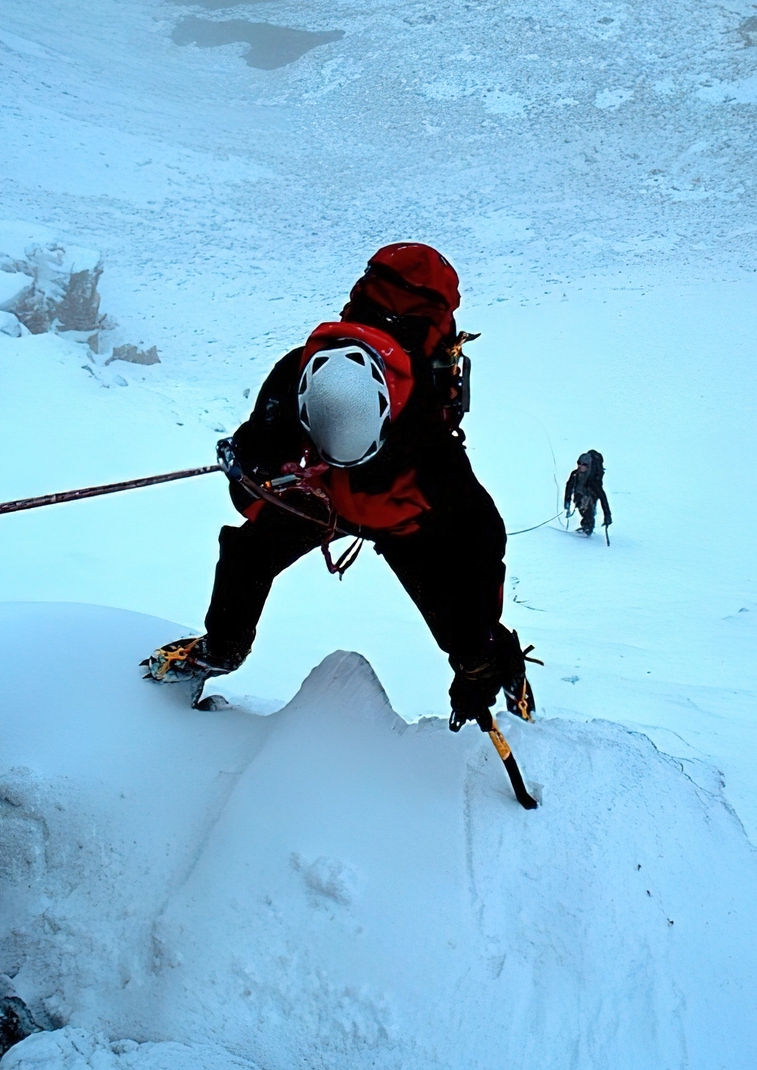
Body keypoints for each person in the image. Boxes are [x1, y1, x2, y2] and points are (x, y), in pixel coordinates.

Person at [143, 243, 536, 728]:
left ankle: (218, 652)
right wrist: (473, 656)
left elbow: (253, 468)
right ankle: (496, 675)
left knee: (249, 554)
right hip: (405, 516)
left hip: (320, 499)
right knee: (464, 621)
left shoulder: (307, 363)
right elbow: (481, 535)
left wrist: (245, 464)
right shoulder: (428, 389)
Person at [564, 450, 612, 537]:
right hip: (579, 494)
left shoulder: (594, 480)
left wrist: (607, 515)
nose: (580, 466)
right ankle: (585, 527)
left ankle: (587, 529)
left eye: (584, 464)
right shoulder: (575, 474)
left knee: (588, 510)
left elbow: (602, 496)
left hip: (590, 496)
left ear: (589, 465)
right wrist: (567, 501)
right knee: (581, 507)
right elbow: (569, 487)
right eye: (579, 463)